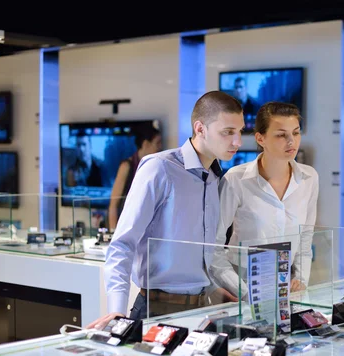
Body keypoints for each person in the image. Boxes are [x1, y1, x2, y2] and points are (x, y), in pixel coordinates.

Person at [86, 91, 245, 330]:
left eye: (240, 131)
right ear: (200, 129)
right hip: (156, 312)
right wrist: (117, 311)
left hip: (201, 309)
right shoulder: (160, 168)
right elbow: (122, 244)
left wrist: (211, 289)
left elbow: (198, 251)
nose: (238, 142)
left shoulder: (213, 176)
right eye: (228, 132)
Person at [209, 101, 319, 298]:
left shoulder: (309, 178)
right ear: (260, 138)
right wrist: (244, 292)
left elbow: (305, 238)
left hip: (287, 284)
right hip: (239, 286)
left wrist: (301, 280)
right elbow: (214, 248)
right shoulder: (236, 179)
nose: (291, 141)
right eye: (281, 135)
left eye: (295, 132)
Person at [108, 124, 162, 231]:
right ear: (146, 144)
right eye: (157, 143)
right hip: (126, 228)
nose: (160, 147)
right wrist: (113, 234)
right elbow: (113, 205)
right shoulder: (126, 166)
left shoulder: (157, 166)